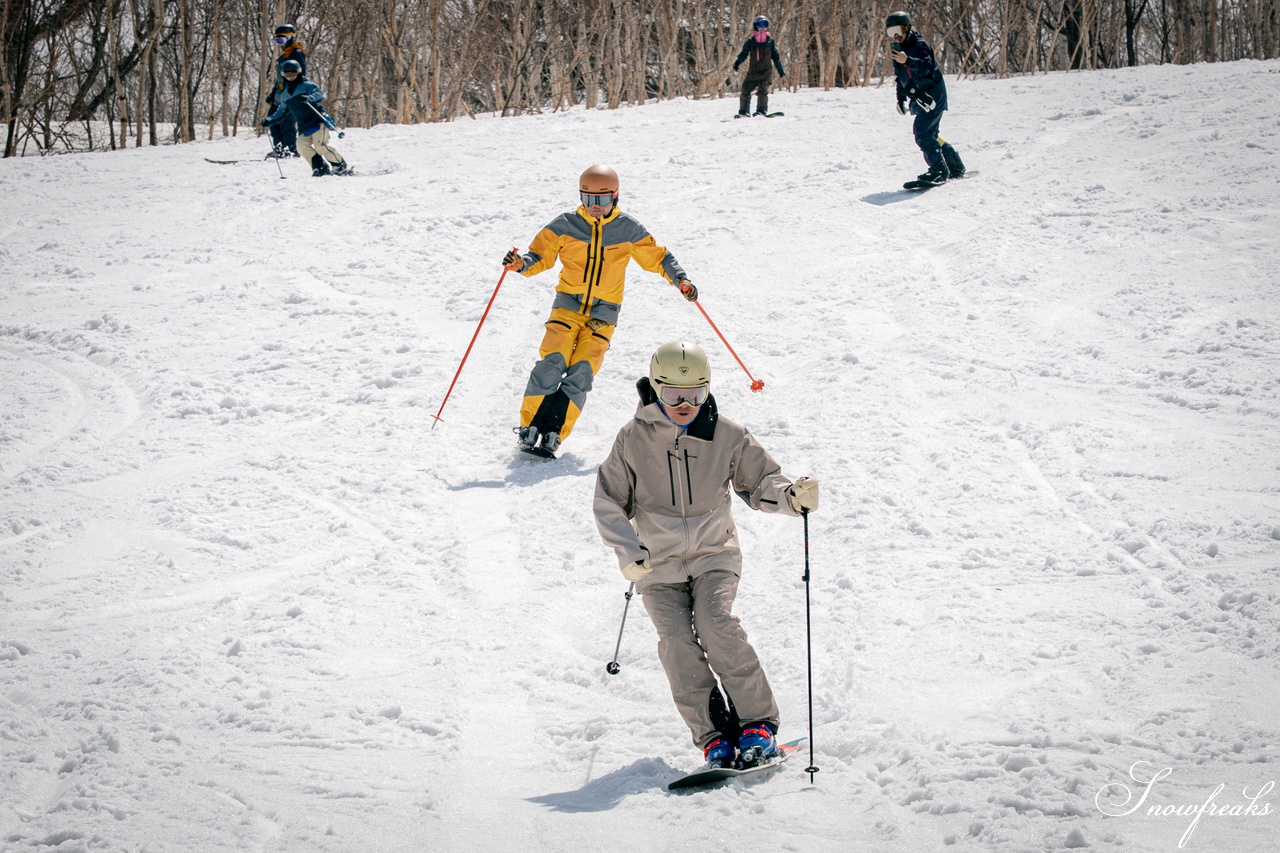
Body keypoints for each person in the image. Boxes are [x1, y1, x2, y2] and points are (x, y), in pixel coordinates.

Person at [593, 341, 820, 769]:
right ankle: (714, 735)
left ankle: (757, 725)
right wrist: (628, 551)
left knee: (715, 624)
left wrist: (791, 497)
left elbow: (762, 482)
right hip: (657, 565)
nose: (685, 404)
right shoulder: (632, 438)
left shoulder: (727, 435)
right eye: (674, 395)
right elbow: (608, 501)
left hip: (715, 554)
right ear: (655, 389)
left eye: (695, 394)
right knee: (676, 643)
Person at [503, 166, 696, 456]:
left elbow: (658, 257)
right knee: (551, 364)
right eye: (588, 198)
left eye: (603, 200)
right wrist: (520, 264)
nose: (595, 207)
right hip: (567, 307)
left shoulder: (627, 229)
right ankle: (530, 428)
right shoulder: (565, 224)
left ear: (615, 197)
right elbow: (539, 256)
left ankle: (555, 432)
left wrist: (681, 279)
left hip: (602, 316)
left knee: (581, 372)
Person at [887, 10, 966, 185]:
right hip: (918, 97)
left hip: (932, 96)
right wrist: (900, 98)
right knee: (930, 133)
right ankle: (955, 165)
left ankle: (938, 170)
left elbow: (925, 68)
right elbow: (901, 77)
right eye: (891, 33)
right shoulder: (897, 51)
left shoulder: (920, 46)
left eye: (898, 31)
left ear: (907, 28)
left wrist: (907, 60)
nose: (896, 36)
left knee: (923, 133)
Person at [262, 60, 350, 177]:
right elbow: (281, 112)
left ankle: (339, 165)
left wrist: (308, 98)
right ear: (283, 75)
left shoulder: (307, 85)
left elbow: (319, 94)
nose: (291, 77)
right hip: (304, 125)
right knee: (301, 146)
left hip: (318, 121)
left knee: (320, 146)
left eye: (293, 73)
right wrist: (269, 120)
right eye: (287, 74)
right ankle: (320, 167)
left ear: (299, 72)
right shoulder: (286, 94)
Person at [265, 24, 306, 159]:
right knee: (274, 119)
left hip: (290, 94)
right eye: (276, 41)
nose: (278, 44)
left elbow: (301, 75)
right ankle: (279, 148)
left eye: (280, 40)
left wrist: (296, 91)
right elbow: (279, 78)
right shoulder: (284, 55)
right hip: (279, 94)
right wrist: (273, 93)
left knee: (286, 122)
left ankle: (290, 149)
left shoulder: (296, 53)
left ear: (289, 38)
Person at [733, 15, 786, 118]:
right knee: (745, 90)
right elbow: (743, 54)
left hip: (766, 71)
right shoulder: (751, 41)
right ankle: (744, 112)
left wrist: (781, 71)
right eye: (761, 24)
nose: (763, 27)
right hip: (753, 71)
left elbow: (776, 57)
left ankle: (761, 111)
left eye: (765, 25)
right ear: (756, 26)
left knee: (762, 91)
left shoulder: (770, 41)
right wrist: (737, 63)